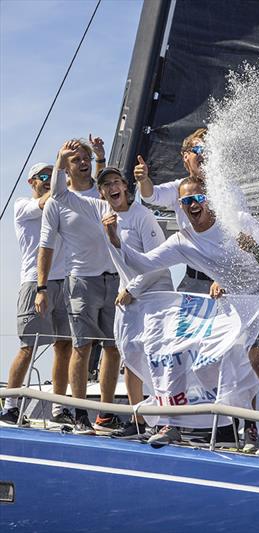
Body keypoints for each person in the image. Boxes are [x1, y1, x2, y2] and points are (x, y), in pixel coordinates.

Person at [103, 177, 259, 447]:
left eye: (198, 199)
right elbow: (144, 263)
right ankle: (231, 428)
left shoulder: (236, 220)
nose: (192, 205)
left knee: (258, 355)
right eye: (185, 201)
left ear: (208, 201)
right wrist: (115, 241)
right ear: (180, 206)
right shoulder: (183, 241)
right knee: (211, 360)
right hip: (236, 304)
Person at [46, 148, 175, 440]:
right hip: (127, 298)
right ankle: (139, 419)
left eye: (116, 182)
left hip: (153, 295)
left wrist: (131, 288)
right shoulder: (101, 209)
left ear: (126, 187)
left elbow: (158, 263)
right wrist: (60, 163)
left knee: (152, 357)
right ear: (101, 192)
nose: (112, 187)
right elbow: (60, 196)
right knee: (129, 356)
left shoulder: (143, 216)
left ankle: (166, 420)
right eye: (106, 185)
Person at [38, 137, 119, 435]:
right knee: (81, 347)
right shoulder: (59, 201)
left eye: (85, 157)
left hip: (113, 280)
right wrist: (42, 287)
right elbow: (45, 247)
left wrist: (99, 156)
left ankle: (106, 415)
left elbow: (109, 183)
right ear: (66, 168)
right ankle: (79, 412)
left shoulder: (102, 197)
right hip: (81, 281)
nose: (82, 161)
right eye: (76, 159)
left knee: (113, 348)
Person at [0, 163, 73, 427]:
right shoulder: (23, 206)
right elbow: (45, 201)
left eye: (53, 176)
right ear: (32, 181)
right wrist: (62, 173)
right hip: (34, 284)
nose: (49, 181)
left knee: (65, 345)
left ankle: (58, 407)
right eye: (44, 176)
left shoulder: (62, 206)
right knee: (28, 347)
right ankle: (10, 406)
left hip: (65, 283)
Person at [134, 127, 214, 293]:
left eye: (208, 149)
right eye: (198, 149)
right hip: (193, 281)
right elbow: (151, 195)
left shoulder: (227, 189)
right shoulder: (179, 188)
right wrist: (144, 180)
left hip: (224, 281)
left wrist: (223, 279)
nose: (204, 154)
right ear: (186, 157)